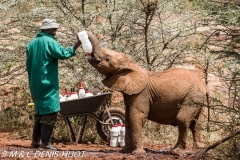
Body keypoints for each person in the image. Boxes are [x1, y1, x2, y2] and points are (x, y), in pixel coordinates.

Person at [26, 18, 81, 150]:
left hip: (34, 84)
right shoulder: (49, 42)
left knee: (39, 113)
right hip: (47, 84)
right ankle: (46, 143)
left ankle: (35, 143)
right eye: (54, 29)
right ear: (47, 30)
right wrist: (77, 44)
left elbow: (28, 65)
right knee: (51, 111)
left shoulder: (31, 44)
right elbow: (63, 53)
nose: (55, 31)